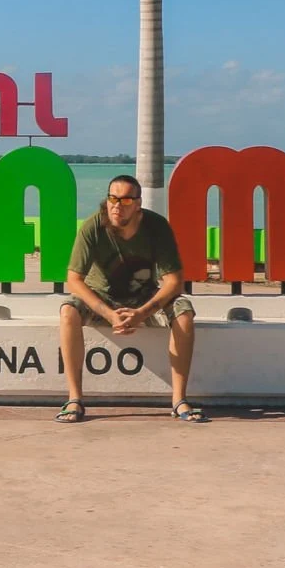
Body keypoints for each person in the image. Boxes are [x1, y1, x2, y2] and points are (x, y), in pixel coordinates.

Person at [56, 174, 207, 424]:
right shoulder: (93, 226)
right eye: (112, 198)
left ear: (138, 204)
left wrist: (142, 314)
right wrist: (108, 314)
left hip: (144, 297)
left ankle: (179, 400)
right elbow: (74, 280)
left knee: (184, 312)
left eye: (125, 200)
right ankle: (75, 399)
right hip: (101, 298)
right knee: (68, 310)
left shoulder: (156, 227)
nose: (116, 205)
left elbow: (173, 281)